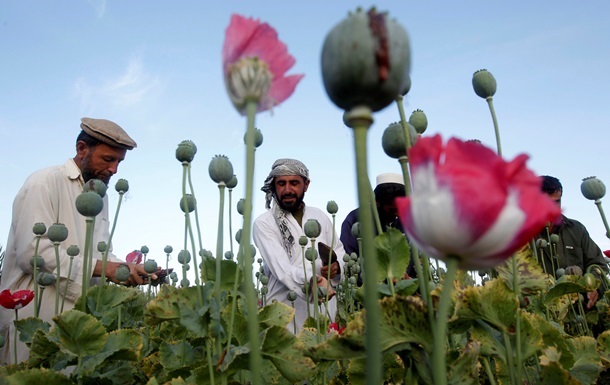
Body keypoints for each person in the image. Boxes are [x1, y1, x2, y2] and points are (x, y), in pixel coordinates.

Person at [0, 117, 155, 364]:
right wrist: (105, 268)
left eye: (119, 162)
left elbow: (101, 253)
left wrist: (126, 270)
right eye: (108, 159)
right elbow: (33, 252)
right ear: (82, 149)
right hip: (36, 317)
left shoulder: (100, 195)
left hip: (80, 322)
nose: (114, 169)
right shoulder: (43, 182)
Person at [253, 158, 345, 332]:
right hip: (284, 311)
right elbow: (282, 268)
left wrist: (337, 266)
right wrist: (312, 280)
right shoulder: (264, 223)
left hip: (324, 308)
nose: (288, 190)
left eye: (294, 183)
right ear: (273, 187)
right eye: (281, 183)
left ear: (306, 184)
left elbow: (339, 250)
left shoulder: (320, 216)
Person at [537, 175, 608, 309]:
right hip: (541, 314)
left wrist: (594, 288)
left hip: (580, 313)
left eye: (556, 202)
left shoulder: (576, 230)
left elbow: (599, 266)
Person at [340, 173, 415, 278]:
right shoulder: (355, 220)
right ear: (376, 202)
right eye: (393, 209)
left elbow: (417, 261)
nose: (398, 214)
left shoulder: (409, 223)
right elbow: (348, 261)